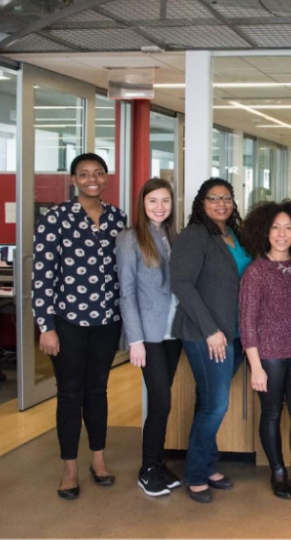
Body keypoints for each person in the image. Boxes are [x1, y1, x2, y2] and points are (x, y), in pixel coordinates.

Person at [35, 153, 127, 500]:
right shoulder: (56, 218)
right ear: (74, 179)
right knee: (70, 393)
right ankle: (70, 468)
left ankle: (99, 461)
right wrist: (46, 326)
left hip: (106, 319)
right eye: (84, 174)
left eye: (99, 173)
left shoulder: (118, 218)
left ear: (105, 178)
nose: (92, 179)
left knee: (98, 391)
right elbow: (42, 275)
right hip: (68, 321)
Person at [170, 178, 249, 504]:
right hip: (209, 336)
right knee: (215, 405)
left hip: (237, 332)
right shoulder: (195, 236)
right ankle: (197, 474)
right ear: (201, 203)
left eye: (226, 198)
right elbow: (182, 284)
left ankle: (206, 463)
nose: (221, 203)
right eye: (213, 198)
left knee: (209, 403)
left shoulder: (235, 234)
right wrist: (210, 330)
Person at [238, 200, 291, 504]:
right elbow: (246, 322)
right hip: (268, 356)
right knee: (272, 413)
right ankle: (277, 471)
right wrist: (255, 367)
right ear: (265, 231)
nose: (282, 234)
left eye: (288, 228)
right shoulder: (256, 271)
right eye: (275, 227)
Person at [117, 178, 179, 497]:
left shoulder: (172, 235)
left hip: (174, 333)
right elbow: (126, 293)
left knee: (162, 402)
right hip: (150, 336)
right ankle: (147, 469)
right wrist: (135, 340)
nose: (159, 207)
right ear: (142, 203)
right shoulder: (130, 239)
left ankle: (157, 462)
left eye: (165, 200)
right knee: (160, 401)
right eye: (153, 200)